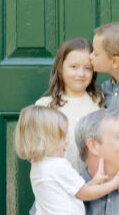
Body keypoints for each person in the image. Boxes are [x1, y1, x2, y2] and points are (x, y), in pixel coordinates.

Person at [36, 37, 104, 173]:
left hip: (93, 183)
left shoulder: (98, 101)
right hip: (59, 184)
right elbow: (37, 154)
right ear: (60, 68)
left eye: (88, 68)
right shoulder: (46, 106)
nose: (81, 74)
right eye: (74, 67)